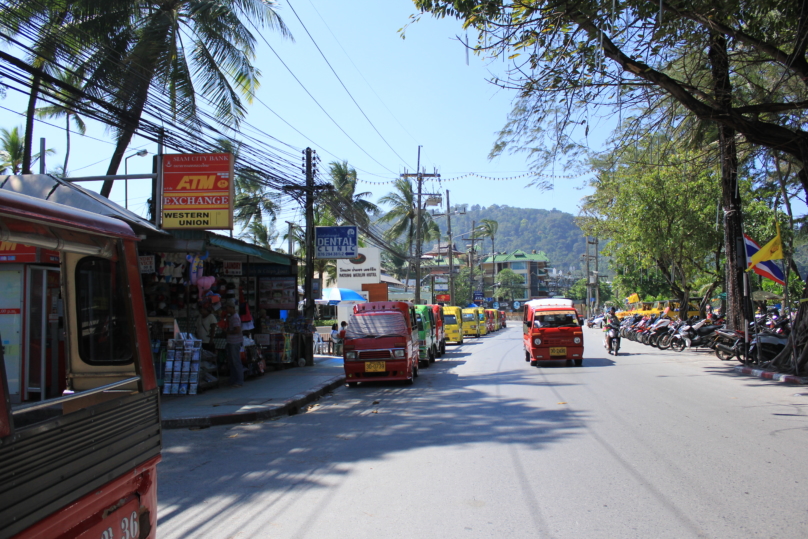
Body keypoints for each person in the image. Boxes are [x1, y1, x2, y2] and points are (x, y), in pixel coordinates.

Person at [225, 300, 244, 387]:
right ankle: (233, 379)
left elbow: (237, 329)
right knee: (232, 362)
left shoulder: (235, 317)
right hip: (231, 341)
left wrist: (228, 331)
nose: (226, 309)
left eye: (227, 308)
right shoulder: (231, 317)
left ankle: (239, 380)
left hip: (235, 342)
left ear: (231, 308)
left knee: (236, 361)